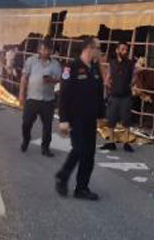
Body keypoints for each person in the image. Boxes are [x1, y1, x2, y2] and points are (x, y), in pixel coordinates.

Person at [55, 37, 105, 200]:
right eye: (98, 48)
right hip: (75, 118)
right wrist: (63, 119)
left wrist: (101, 116)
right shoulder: (72, 67)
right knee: (79, 149)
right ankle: (63, 176)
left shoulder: (95, 68)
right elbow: (64, 95)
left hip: (90, 119)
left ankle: (81, 188)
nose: (100, 51)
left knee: (89, 154)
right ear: (89, 48)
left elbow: (99, 94)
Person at [19, 40, 62, 156]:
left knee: (47, 126)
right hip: (32, 98)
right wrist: (21, 94)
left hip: (48, 100)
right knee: (26, 123)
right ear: (39, 50)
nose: (45, 52)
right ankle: (26, 139)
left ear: (51, 51)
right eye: (43, 49)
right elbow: (24, 77)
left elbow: (60, 80)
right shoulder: (31, 61)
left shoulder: (56, 64)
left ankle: (45, 148)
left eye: (48, 50)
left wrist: (51, 80)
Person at [102, 42, 136, 152]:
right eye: (122, 49)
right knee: (111, 120)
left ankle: (126, 143)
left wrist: (131, 84)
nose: (125, 52)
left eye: (126, 50)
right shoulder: (112, 63)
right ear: (117, 50)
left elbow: (134, 77)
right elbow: (108, 77)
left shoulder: (130, 64)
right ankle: (111, 142)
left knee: (126, 120)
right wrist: (107, 86)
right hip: (114, 96)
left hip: (126, 96)